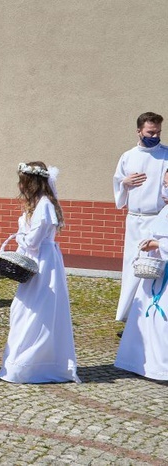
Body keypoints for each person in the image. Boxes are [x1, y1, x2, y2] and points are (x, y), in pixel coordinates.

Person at [0, 162, 80, 384]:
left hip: (43, 264)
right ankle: (21, 362)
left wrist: (19, 236)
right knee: (23, 309)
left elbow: (34, 241)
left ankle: (32, 364)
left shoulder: (44, 205)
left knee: (37, 312)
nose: (19, 185)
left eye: (22, 180)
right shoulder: (36, 204)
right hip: (36, 260)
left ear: (30, 182)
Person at [113, 112, 168, 322]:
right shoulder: (128, 156)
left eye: (158, 132)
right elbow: (119, 187)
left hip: (159, 221)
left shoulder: (166, 155)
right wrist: (124, 184)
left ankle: (152, 316)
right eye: (150, 132)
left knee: (156, 268)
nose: (155, 135)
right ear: (139, 131)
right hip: (136, 219)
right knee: (132, 267)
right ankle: (129, 317)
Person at [115, 175, 168, 380]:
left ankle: (161, 366)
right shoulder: (164, 210)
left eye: (167, 186)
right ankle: (142, 361)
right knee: (146, 318)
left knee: (161, 320)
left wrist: (157, 246)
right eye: (163, 185)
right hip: (155, 274)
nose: (163, 190)